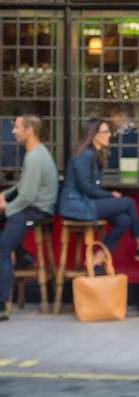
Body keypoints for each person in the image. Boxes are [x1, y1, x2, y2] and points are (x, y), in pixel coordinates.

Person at [58, 119, 139, 271]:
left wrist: (108, 195)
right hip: (77, 205)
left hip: (87, 202)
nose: (110, 135)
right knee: (128, 202)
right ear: (93, 135)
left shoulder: (95, 154)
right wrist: (109, 195)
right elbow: (86, 187)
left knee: (124, 219)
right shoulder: (84, 155)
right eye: (105, 132)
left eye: (109, 131)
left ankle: (98, 257)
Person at [0, 114, 58, 322]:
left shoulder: (34, 157)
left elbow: (27, 196)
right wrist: (5, 196)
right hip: (30, 207)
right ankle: (23, 255)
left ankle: (2, 305)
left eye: (17, 127)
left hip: (37, 210)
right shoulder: (36, 152)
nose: (13, 131)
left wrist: (6, 207)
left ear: (29, 130)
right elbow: (23, 187)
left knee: (3, 249)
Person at [106, 102, 139, 171]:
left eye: (112, 116)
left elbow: (113, 165)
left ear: (122, 116)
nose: (111, 119)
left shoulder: (126, 138)